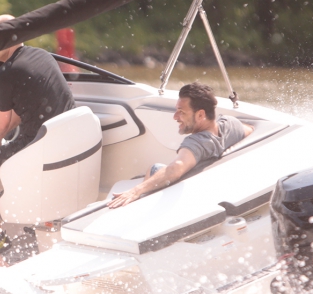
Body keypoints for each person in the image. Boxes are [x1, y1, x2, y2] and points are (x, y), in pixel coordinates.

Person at [0, 14, 76, 254]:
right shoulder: (42, 56)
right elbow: (19, 111)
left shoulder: (6, 73)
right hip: (64, 142)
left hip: (38, 148)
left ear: (9, 38)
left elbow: (1, 123)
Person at [108, 82, 253, 208]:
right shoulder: (231, 125)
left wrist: (136, 191)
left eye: (181, 112)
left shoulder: (196, 143)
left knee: (155, 168)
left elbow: (176, 168)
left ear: (200, 115)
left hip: (183, 190)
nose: (175, 117)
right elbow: (252, 130)